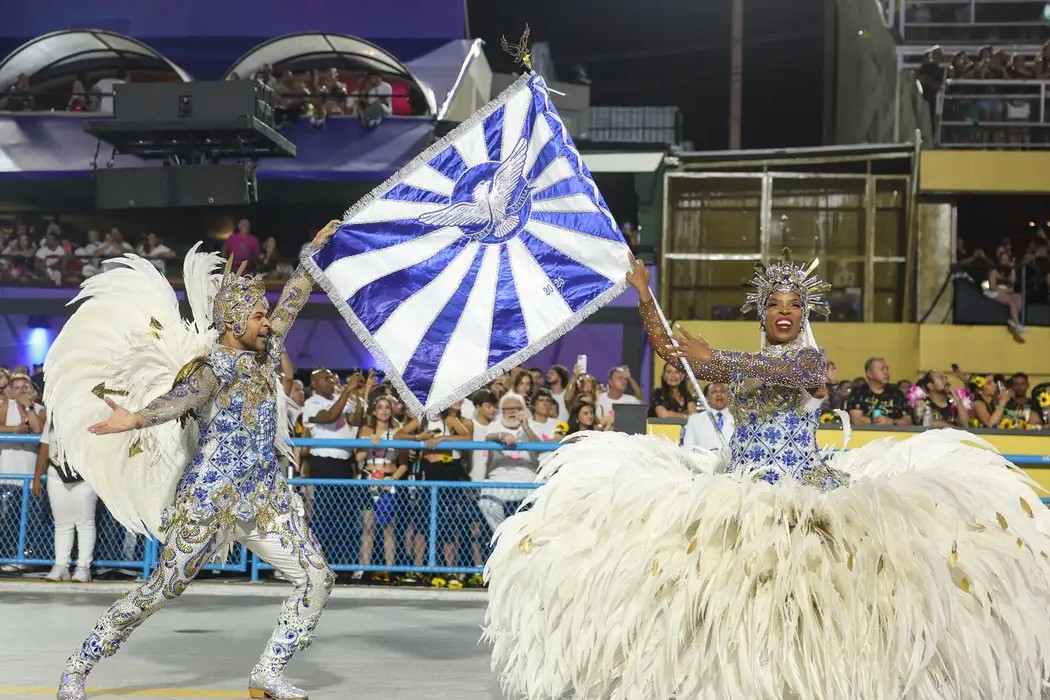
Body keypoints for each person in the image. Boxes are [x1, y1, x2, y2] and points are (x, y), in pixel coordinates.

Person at [483, 249, 1050, 699]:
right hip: (737, 485)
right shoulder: (747, 359)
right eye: (775, 303)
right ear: (762, 312)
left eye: (795, 305)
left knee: (811, 599)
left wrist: (716, 359)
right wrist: (642, 296)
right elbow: (672, 352)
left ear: (804, 314)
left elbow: (784, 371)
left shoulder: (807, 359)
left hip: (800, 492)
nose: (785, 311)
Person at [46, 221, 343, 700]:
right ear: (232, 326)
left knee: (317, 578)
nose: (268, 324)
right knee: (160, 589)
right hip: (207, 502)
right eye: (258, 318)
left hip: (266, 500)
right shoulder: (212, 370)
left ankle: (268, 671)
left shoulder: (266, 354)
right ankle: (80, 664)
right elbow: (177, 401)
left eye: (266, 317)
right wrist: (135, 419)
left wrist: (314, 248)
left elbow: (294, 295)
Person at [32, 421, 97, 582]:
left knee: (85, 523)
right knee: (61, 523)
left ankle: (83, 567)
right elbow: (45, 447)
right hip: (56, 475)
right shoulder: (53, 418)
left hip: (84, 476)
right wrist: (37, 477)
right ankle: (61, 565)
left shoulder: (89, 417)